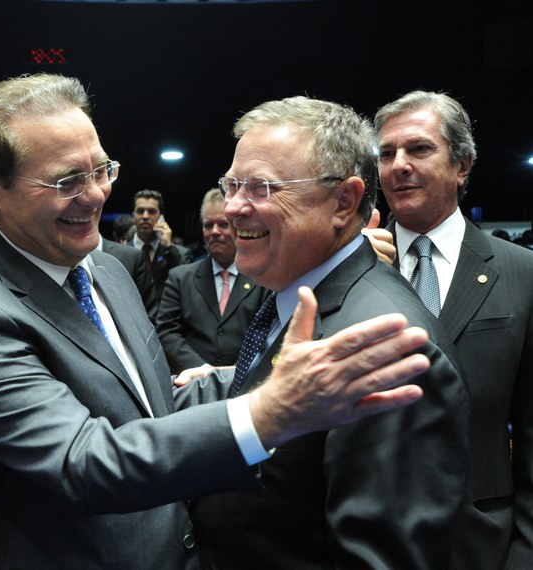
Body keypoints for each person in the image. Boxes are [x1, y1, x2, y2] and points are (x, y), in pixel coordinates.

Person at [0, 73, 432, 569]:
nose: (96, 195)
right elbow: (83, 460)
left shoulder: (106, 272)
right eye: (67, 180)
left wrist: (248, 374)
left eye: (101, 170)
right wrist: (269, 410)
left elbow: (143, 403)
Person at [188, 96, 469, 570]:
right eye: (232, 185)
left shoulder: (384, 347)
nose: (233, 207)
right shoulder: (297, 298)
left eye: (261, 187)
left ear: (344, 201)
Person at [376, 90, 533, 569]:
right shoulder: (350, 268)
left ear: (462, 166)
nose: (399, 165)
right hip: (364, 538)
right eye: (386, 154)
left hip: (483, 538)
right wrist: (347, 271)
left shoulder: (520, 272)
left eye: (419, 149)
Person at [156, 188, 266, 373]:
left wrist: (236, 372)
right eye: (208, 225)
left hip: (248, 380)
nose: (214, 232)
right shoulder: (180, 278)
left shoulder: (263, 279)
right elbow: (167, 333)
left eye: (223, 224)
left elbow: (269, 332)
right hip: (193, 381)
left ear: (238, 227)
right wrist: (205, 371)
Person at [132, 188, 191, 313]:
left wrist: (168, 247)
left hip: (165, 319)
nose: (145, 216)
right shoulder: (119, 253)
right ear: (133, 215)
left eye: (152, 211)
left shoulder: (177, 253)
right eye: (140, 211)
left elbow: (187, 284)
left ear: (161, 217)